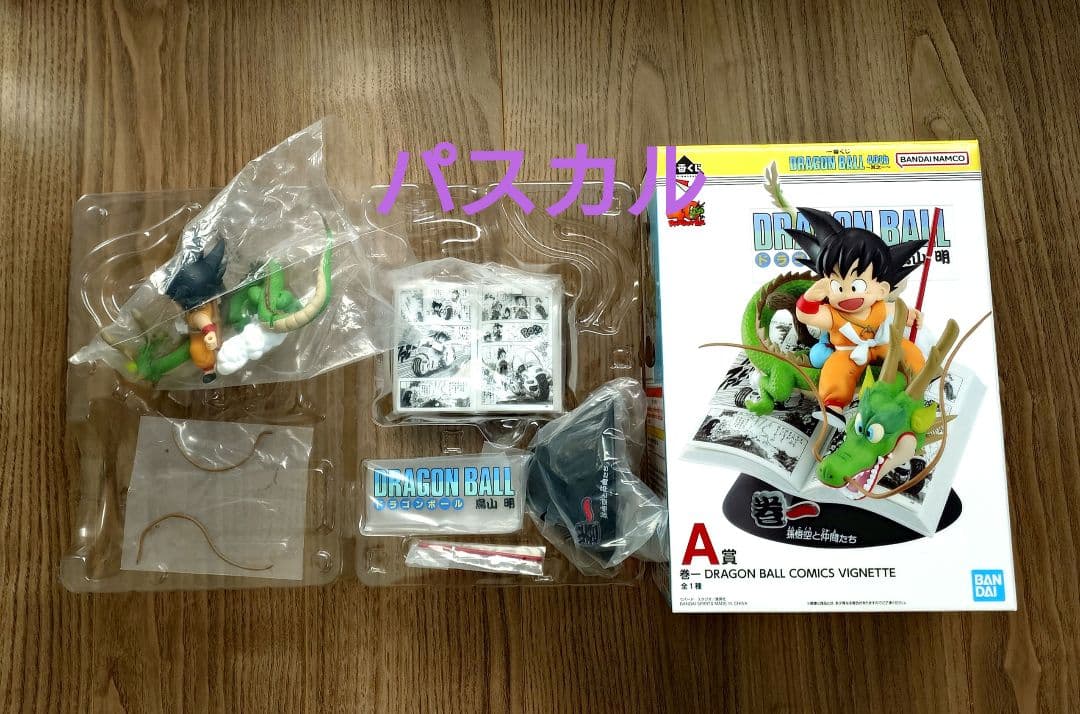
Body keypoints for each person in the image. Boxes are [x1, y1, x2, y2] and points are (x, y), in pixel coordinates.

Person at [788, 207, 927, 425]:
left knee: (908, 351)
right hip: (848, 353)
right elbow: (807, 315)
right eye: (838, 286)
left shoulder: (880, 306)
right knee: (836, 369)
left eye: (857, 285)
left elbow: (897, 312)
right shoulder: (834, 314)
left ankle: (919, 382)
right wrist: (810, 297)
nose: (847, 293)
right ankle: (833, 406)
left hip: (882, 344)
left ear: (881, 290)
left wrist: (911, 316)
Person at [165, 240, 226, 383]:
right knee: (199, 352)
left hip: (203, 331)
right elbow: (199, 318)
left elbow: (202, 319)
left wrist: (210, 332)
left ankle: (210, 369)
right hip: (200, 329)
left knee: (199, 352)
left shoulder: (199, 309)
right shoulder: (192, 307)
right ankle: (210, 368)